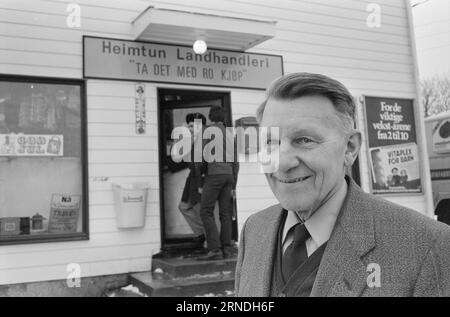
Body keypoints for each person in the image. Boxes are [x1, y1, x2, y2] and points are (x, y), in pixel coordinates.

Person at [235, 73, 450, 297]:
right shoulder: (255, 229)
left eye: (305, 140)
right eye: (271, 142)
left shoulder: (428, 246)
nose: (282, 162)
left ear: (350, 148)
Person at [197, 106, 239, 260]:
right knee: (225, 212)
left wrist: (200, 178)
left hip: (214, 174)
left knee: (205, 211)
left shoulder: (207, 131)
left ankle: (215, 249)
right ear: (223, 118)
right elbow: (236, 161)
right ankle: (227, 247)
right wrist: (234, 183)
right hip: (229, 175)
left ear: (210, 117)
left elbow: (200, 158)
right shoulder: (230, 134)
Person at [171, 113, 207, 246]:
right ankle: (201, 233)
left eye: (193, 125)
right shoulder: (192, 139)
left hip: (201, 178)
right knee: (184, 206)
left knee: (202, 210)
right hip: (192, 177)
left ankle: (210, 239)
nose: (191, 128)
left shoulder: (206, 138)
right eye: (189, 126)